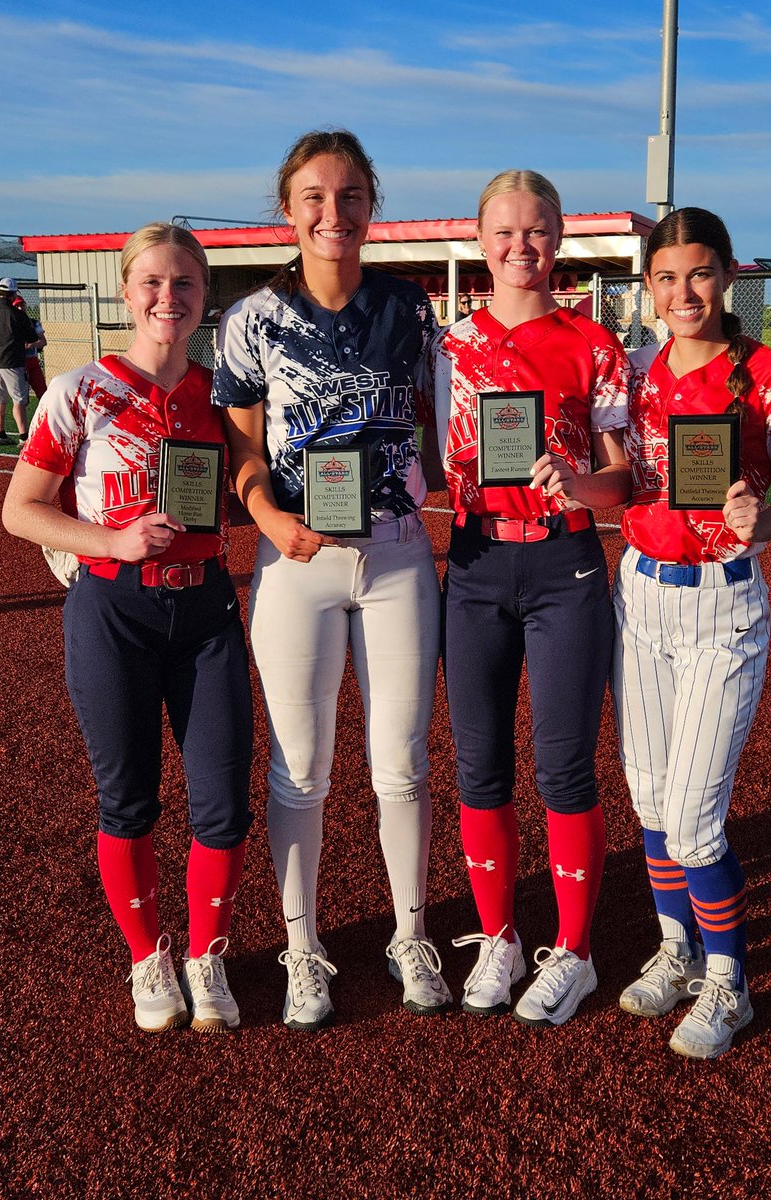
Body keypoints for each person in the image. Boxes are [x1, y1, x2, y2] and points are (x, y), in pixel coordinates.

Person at [212, 129, 451, 1029]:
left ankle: (408, 932)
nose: (333, 213)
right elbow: (241, 446)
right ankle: (302, 946)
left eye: (350, 195)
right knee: (301, 769)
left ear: (370, 206)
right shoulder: (251, 321)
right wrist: (268, 518)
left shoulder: (409, 310)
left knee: (399, 764)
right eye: (315, 196)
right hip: (296, 559)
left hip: (392, 552)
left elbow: (443, 424)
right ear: (288, 209)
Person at [2, 223, 253, 1034]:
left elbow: (247, 486)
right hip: (113, 609)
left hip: (207, 608)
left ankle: (206, 955)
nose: (167, 297)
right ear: (124, 291)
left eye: (184, 283)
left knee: (221, 801)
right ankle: (150, 958)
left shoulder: (220, 398)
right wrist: (108, 539)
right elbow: (20, 510)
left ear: (203, 295)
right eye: (151, 282)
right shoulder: (80, 390)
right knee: (128, 799)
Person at [611, 207, 771, 1058]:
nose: (682, 291)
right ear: (650, 287)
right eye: (666, 277)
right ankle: (677, 947)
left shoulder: (769, 373)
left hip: (721, 605)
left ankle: (730, 978)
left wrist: (758, 518)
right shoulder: (636, 371)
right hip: (642, 597)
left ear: (728, 274)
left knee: (696, 819)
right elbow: (624, 479)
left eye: (698, 273)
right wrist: (571, 483)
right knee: (652, 805)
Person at [434, 170, 631, 1027]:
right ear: (481, 241)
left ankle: (577, 952)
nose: (522, 247)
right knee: (478, 768)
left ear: (559, 239)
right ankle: (500, 935)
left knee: (564, 769)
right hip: (475, 566)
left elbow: (625, 482)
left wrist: (579, 482)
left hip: (566, 569)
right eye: (505, 232)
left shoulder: (595, 344)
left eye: (538, 231)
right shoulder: (442, 348)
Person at [0, 276, 37, 444]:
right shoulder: (17, 314)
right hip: (12, 362)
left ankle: (1, 434)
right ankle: (23, 437)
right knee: (18, 400)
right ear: (12, 295)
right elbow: (31, 336)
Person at [13, 292, 48, 401]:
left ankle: (46, 415)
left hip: (32, 361)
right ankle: (23, 417)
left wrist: (32, 344)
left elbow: (43, 341)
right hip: (18, 363)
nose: (20, 308)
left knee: (43, 392)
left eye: (22, 305)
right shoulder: (10, 323)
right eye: (17, 306)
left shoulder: (33, 322)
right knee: (22, 397)